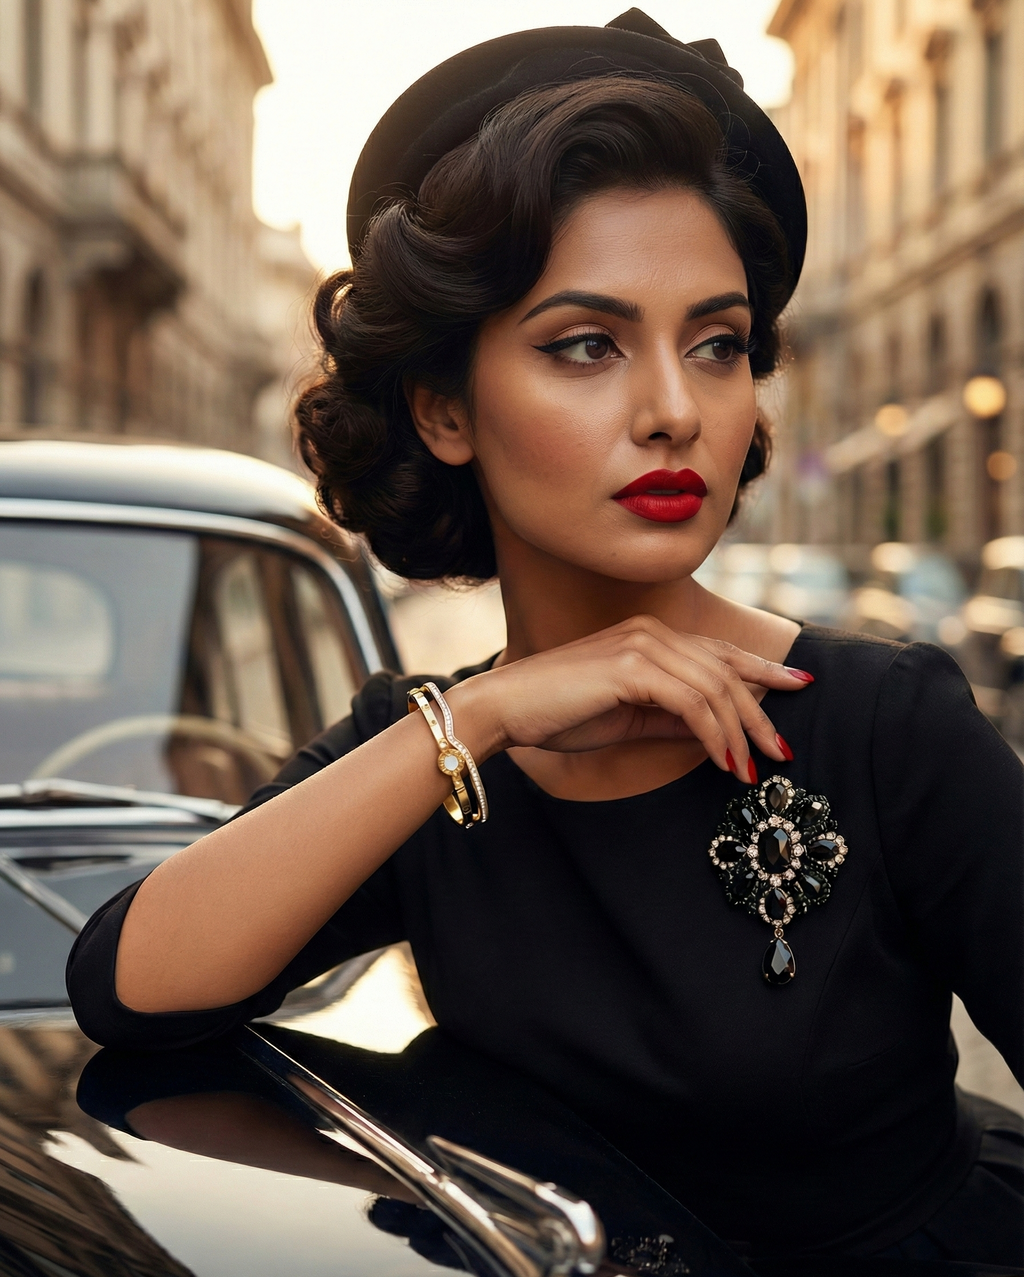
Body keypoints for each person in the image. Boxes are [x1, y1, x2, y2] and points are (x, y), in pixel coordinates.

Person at [67, 11, 1023, 1264]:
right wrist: (488, 712)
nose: (675, 409)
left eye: (717, 344)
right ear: (445, 410)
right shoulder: (430, 752)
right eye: (586, 345)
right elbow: (127, 987)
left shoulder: (882, 723)